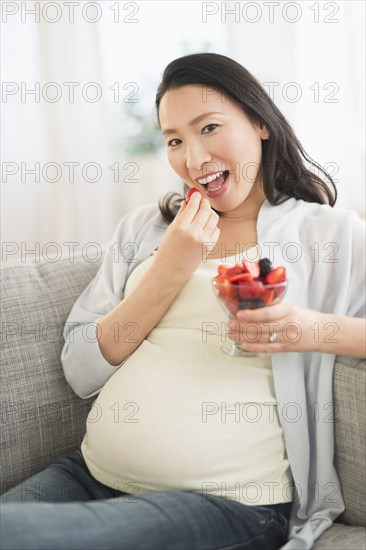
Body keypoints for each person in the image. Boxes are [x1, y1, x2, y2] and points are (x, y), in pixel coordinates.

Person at [1, 53, 365, 550]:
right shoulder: (145, 229)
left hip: (226, 502)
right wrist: (170, 267)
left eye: (209, 127)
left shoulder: (329, 233)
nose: (193, 159)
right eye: (174, 140)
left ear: (260, 122)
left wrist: (309, 328)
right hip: (88, 474)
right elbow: (81, 370)